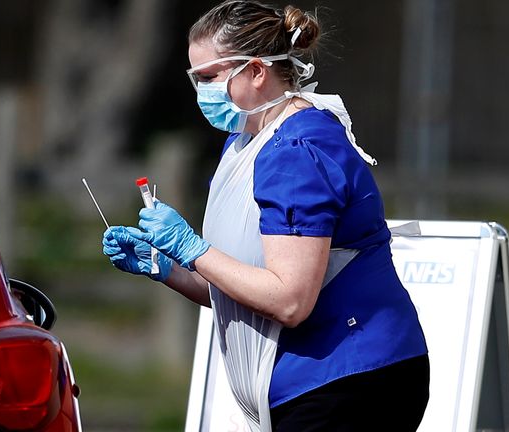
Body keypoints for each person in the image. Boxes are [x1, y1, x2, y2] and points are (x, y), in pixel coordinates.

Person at [102, 1, 429, 431]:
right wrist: (166, 267)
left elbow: (289, 300)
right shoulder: (242, 144)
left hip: (349, 377)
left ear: (257, 72)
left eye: (209, 77)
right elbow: (238, 283)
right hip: (306, 383)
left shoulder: (297, 152)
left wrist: (191, 247)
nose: (201, 92)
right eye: (194, 78)